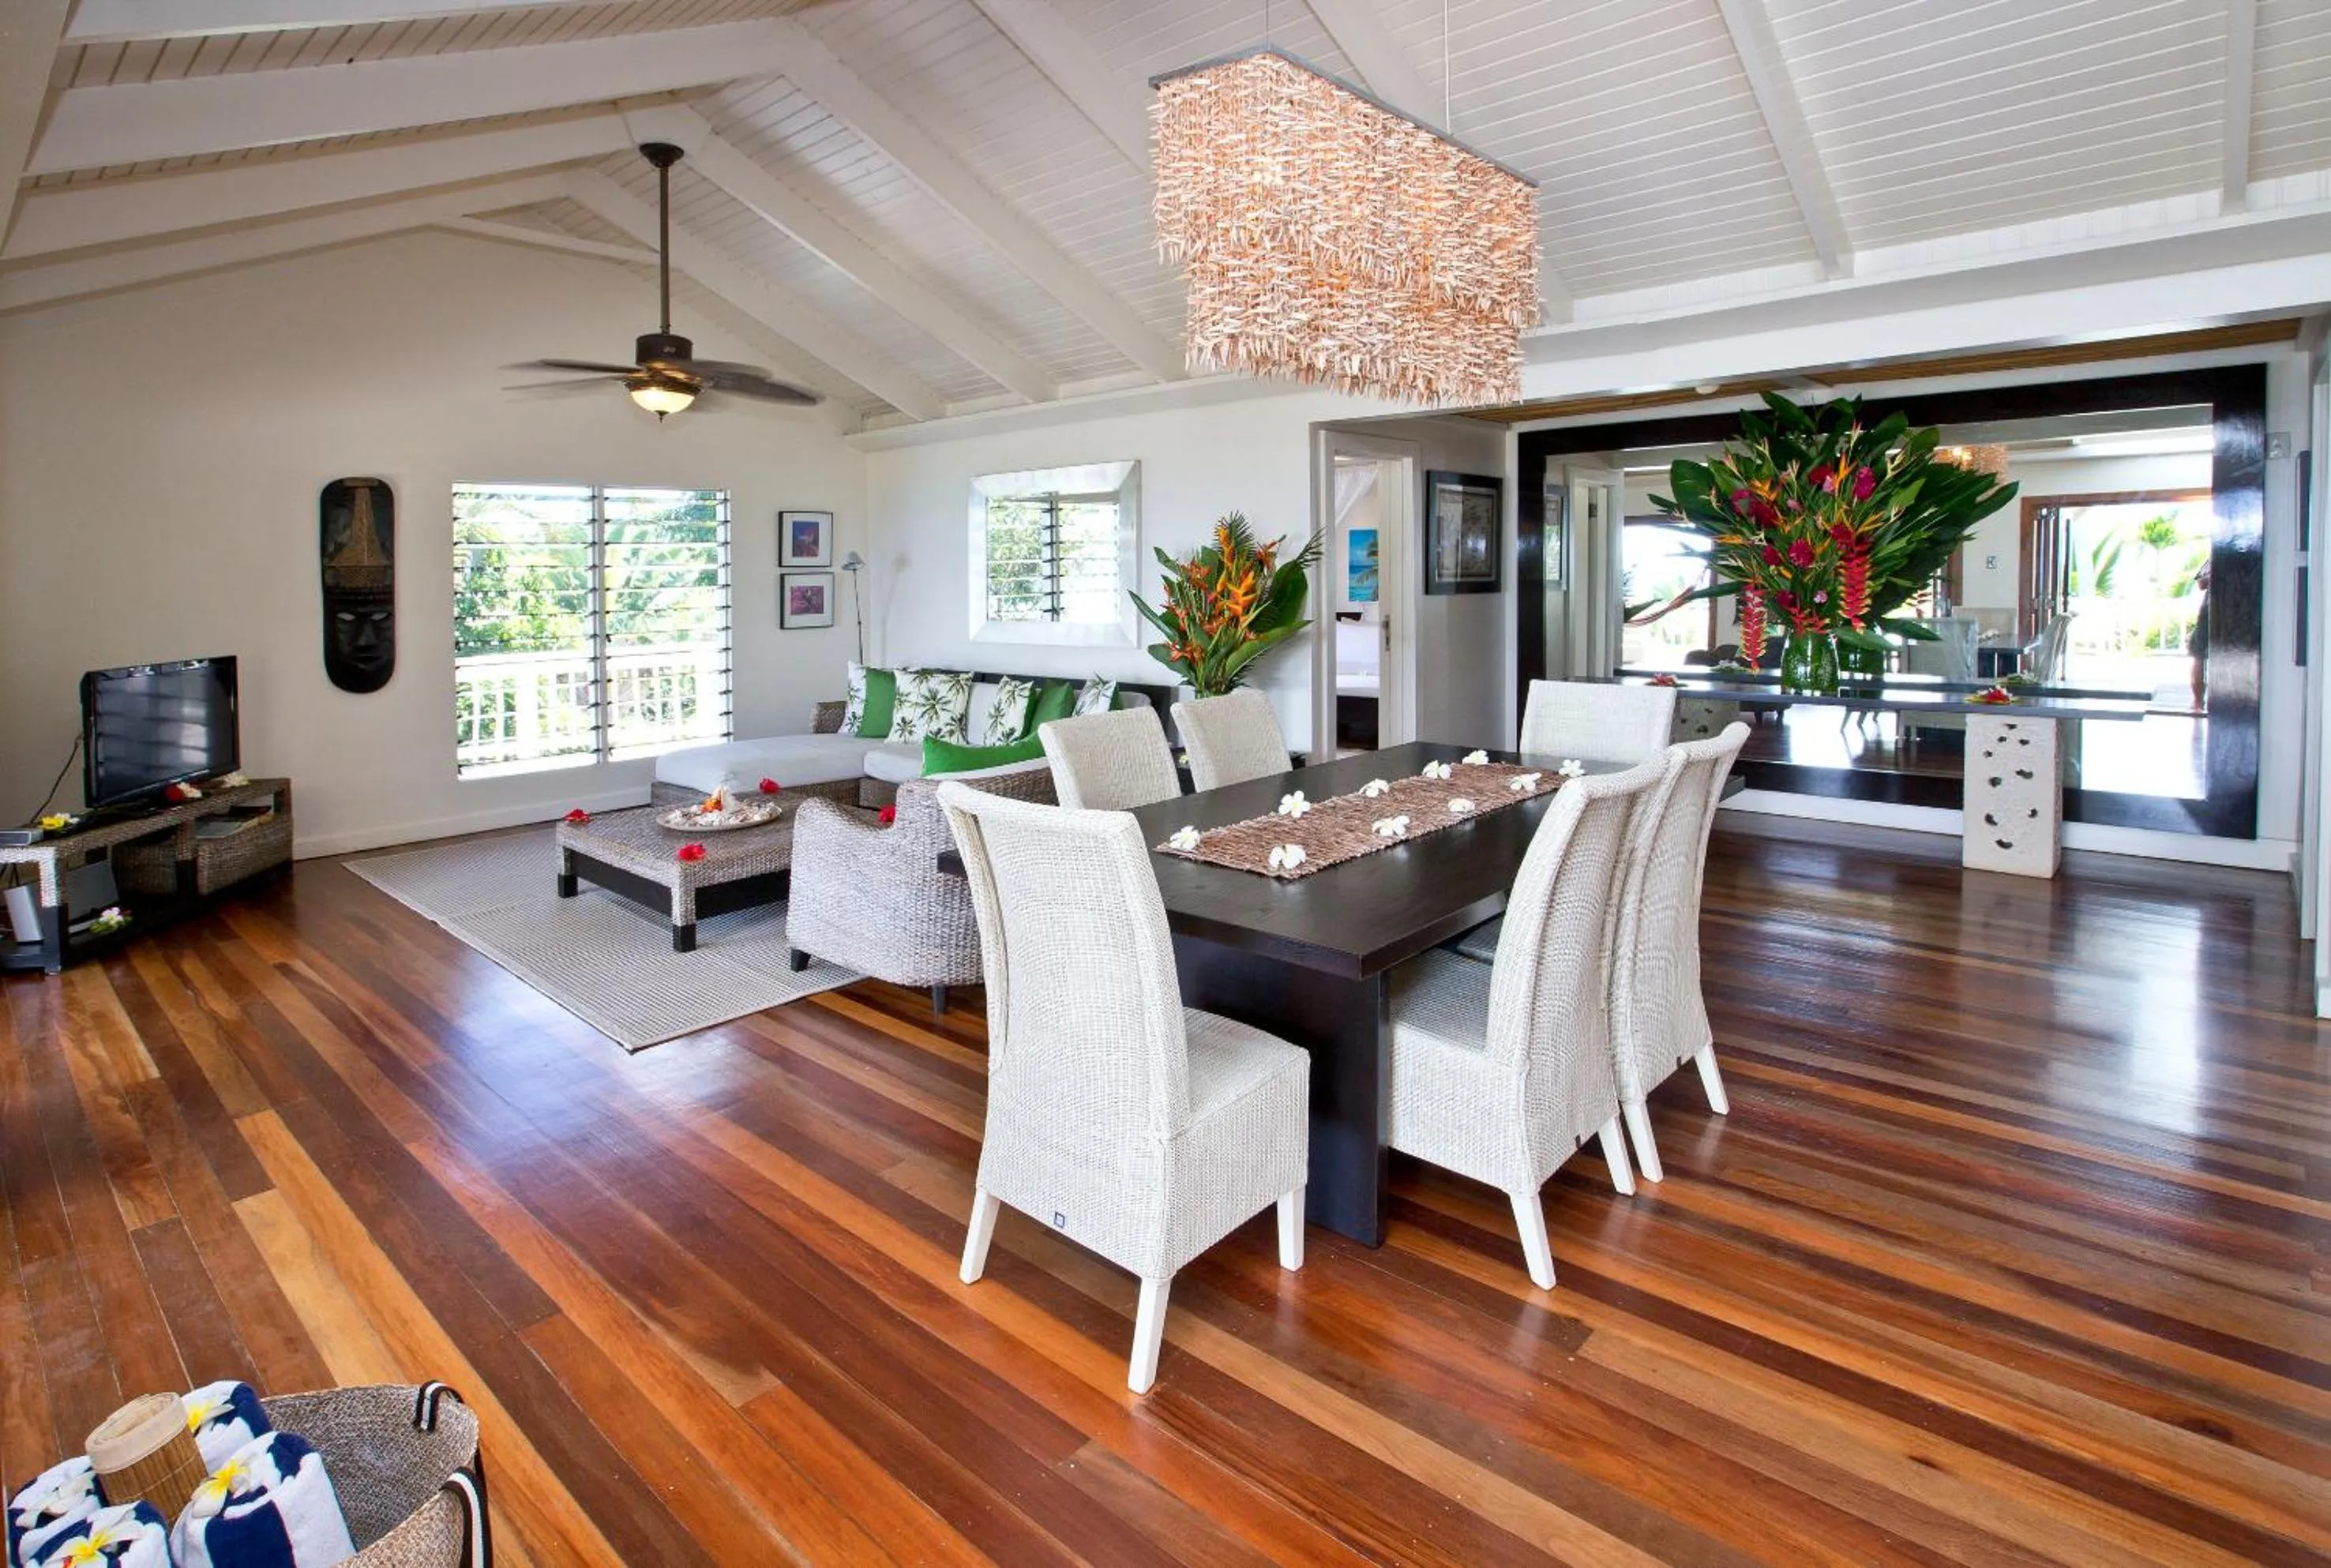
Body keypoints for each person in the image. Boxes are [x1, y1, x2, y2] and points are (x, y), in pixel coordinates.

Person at [2187, 563, 2210, 713]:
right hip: (2209, 609)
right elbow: (2201, 583)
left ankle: (2198, 703)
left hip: (2234, 608)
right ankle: (2197, 702)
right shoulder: (2212, 558)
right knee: (2198, 654)